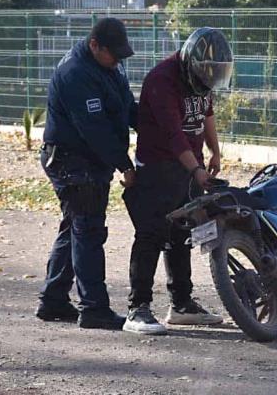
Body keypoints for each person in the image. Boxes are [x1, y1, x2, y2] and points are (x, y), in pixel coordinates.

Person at [121, 27, 233, 335]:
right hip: (158, 166)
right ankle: (138, 309)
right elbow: (173, 136)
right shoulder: (162, 81)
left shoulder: (202, 76)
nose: (209, 80)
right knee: (151, 234)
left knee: (182, 234)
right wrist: (196, 170)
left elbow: (206, 114)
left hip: (188, 166)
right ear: (189, 62)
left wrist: (214, 152)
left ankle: (181, 304)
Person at [35, 17, 138, 330]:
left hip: (88, 161)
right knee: (88, 231)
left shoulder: (107, 67)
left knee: (75, 228)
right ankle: (94, 307)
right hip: (73, 163)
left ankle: (53, 300)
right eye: (113, 54)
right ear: (95, 45)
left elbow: (127, 108)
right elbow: (94, 130)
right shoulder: (75, 74)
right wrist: (125, 164)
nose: (118, 60)